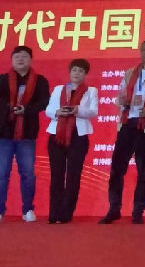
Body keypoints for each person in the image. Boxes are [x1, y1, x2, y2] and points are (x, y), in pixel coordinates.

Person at [0, 45, 50, 224]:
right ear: (12, 60)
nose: (20, 59)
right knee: (1, 174)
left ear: (31, 60)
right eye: (17, 57)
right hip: (3, 131)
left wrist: (26, 109)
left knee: (28, 173)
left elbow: (45, 102)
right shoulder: (2, 79)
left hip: (26, 132)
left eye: (24, 56)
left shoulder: (40, 81)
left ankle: (28, 209)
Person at [100, 40, 145, 225]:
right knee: (117, 168)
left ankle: (138, 210)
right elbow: (119, 96)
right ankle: (114, 208)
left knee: (143, 171)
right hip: (127, 123)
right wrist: (121, 101)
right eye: (144, 49)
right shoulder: (130, 73)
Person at [45, 58, 98, 224]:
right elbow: (48, 110)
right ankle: (54, 213)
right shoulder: (59, 89)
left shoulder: (91, 91)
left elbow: (93, 112)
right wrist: (58, 112)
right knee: (56, 175)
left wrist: (77, 110)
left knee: (73, 175)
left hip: (78, 135)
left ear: (85, 74)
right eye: (74, 70)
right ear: (70, 72)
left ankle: (66, 214)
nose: (77, 73)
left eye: (81, 71)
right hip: (57, 134)